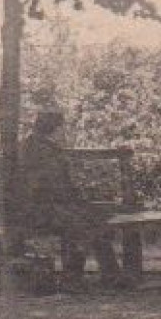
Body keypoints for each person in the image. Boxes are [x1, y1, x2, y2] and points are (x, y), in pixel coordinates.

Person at [16, 110, 120, 284]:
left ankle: (107, 274)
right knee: (84, 223)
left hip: (41, 206)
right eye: (62, 128)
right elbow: (52, 186)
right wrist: (75, 200)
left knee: (92, 219)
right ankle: (77, 278)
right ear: (54, 129)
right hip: (41, 209)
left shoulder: (31, 145)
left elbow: (58, 186)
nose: (64, 132)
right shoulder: (44, 150)